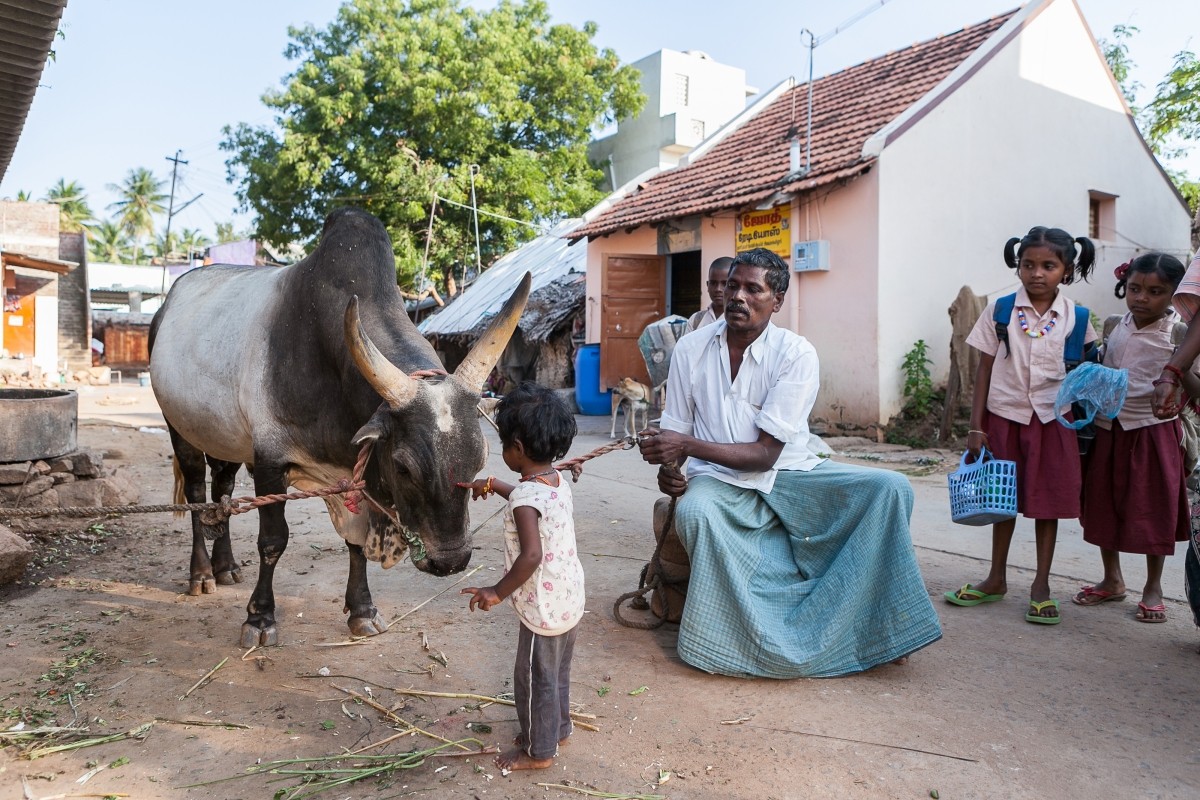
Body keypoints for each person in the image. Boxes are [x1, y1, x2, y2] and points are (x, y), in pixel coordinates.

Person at [639, 247, 941, 678]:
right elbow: (675, 431)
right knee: (696, 511)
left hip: (789, 470)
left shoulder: (796, 354)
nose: (738, 296)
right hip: (719, 479)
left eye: (752, 289)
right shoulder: (689, 350)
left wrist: (683, 445)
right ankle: (726, 640)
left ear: (776, 301)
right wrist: (667, 467)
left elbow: (764, 455)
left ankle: (880, 626)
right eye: (732, 286)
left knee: (890, 488)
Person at [946, 226, 1097, 624]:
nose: (1036, 273)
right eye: (1028, 264)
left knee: (1048, 505)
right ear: (1018, 266)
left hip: (1053, 421)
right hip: (1005, 418)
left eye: (1049, 265)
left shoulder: (1077, 318)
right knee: (1002, 501)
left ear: (1066, 270)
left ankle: (1041, 585)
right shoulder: (999, 311)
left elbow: (1086, 373)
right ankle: (996, 578)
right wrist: (976, 425)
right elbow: (984, 369)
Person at [457, 382, 584, 772]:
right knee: (556, 673)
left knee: (532, 678)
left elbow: (531, 555)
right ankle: (556, 729)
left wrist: (496, 591)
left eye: (504, 446)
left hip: (542, 609)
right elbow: (527, 496)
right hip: (568, 599)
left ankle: (538, 751)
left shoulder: (528, 501)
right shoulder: (553, 481)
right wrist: (494, 484)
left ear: (519, 447)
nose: (504, 452)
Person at [1075, 253, 1190, 622]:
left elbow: (1197, 388)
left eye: (1155, 292)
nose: (1142, 298)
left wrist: (1178, 370)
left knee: (1151, 510)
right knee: (1105, 503)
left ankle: (1153, 586)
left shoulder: (1181, 334)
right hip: (1110, 429)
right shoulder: (1113, 325)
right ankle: (1112, 579)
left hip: (1153, 432)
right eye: (1136, 289)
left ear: (1175, 295)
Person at [684, 256, 733, 333]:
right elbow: (686, 345)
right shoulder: (696, 320)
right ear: (707, 285)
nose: (718, 289)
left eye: (725, 284)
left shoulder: (739, 320)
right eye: (713, 283)